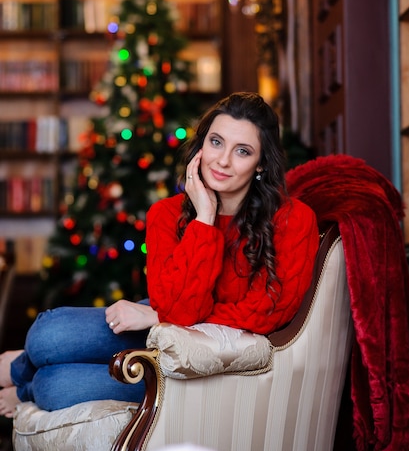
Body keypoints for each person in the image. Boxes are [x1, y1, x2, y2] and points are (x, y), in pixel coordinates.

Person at [0, 92, 319, 417]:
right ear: (201, 145)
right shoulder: (166, 215)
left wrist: (160, 313)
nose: (223, 161)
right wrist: (204, 217)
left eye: (243, 151)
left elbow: (266, 314)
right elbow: (178, 307)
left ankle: (24, 382)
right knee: (47, 335)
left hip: (206, 357)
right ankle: (23, 366)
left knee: (56, 387)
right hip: (160, 323)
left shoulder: (293, 219)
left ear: (261, 163)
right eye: (216, 142)